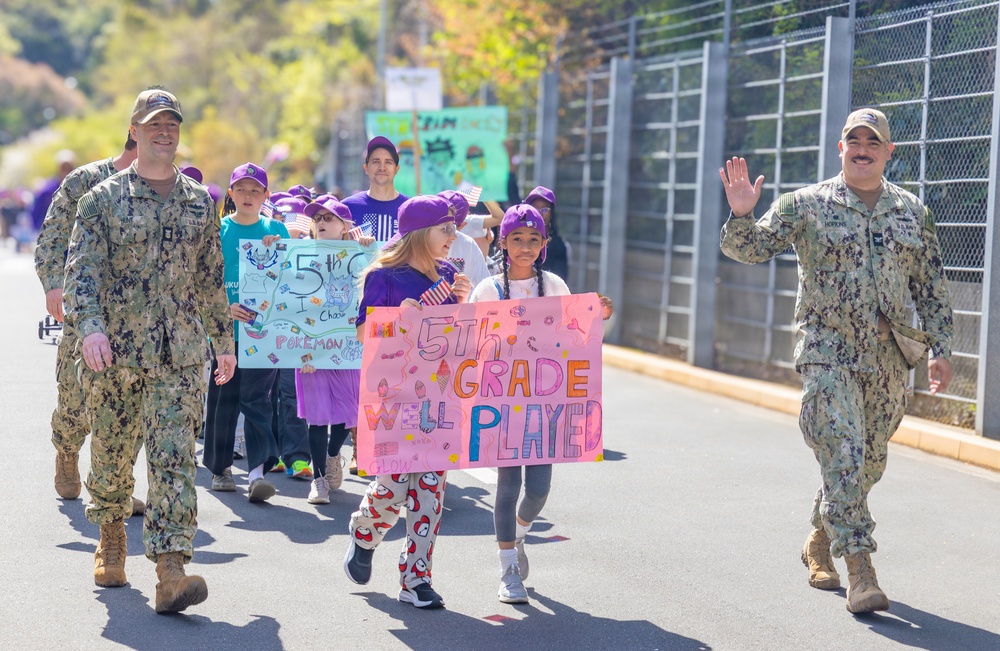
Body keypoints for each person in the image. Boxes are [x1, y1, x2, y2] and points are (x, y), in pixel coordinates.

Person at [718, 108, 954, 614]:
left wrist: (941, 350)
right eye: (854, 139)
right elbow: (750, 249)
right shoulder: (806, 204)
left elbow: (931, 286)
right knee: (843, 453)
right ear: (840, 148)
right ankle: (861, 569)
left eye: (874, 140)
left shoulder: (914, 212)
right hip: (826, 353)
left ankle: (818, 540)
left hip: (889, 358)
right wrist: (741, 213)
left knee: (867, 463)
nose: (863, 147)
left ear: (889, 152)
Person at [63, 87, 236, 613]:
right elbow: (82, 272)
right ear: (134, 131)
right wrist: (90, 328)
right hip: (114, 354)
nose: (164, 133)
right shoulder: (101, 200)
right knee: (113, 456)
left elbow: (210, 278)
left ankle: (171, 571)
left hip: (179, 356)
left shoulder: (198, 204)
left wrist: (222, 341)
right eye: (153, 124)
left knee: (175, 460)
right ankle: (111, 536)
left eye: (172, 125)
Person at [469, 203, 613, 604]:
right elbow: (469, 345)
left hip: (544, 405)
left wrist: (594, 319)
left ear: (544, 244)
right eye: (517, 239)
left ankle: (518, 536)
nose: (525, 246)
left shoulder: (555, 287)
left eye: (534, 240)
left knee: (539, 488)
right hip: (501, 403)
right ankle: (507, 571)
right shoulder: (488, 290)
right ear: (504, 242)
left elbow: (575, 340)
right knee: (508, 484)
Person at [343, 194, 472, 609]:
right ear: (419, 233)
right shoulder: (384, 275)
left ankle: (415, 579)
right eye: (445, 228)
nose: (453, 236)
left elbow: (462, 338)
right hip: (395, 399)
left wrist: (465, 305)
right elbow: (364, 336)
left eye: (453, 228)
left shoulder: (451, 277)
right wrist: (400, 316)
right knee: (394, 486)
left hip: (441, 401)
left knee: (431, 493)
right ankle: (364, 530)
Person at [34, 133, 145, 515]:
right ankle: (66, 449)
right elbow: (51, 238)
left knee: (132, 410)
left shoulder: (163, 188)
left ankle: (117, 484)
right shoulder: (84, 181)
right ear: (135, 134)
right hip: (84, 309)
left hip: (138, 320)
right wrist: (52, 285)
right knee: (75, 399)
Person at [203, 162, 289, 500]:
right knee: (223, 401)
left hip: (263, 333)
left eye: (256, 190)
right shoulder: (217, 231)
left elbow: (292, 280)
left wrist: (278, 249)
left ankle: (256, 473)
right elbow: (205, 280)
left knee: (258, 401)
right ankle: (221, 469)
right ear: (231, 193)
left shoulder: (277, 231)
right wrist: (224, 308)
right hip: (224, 333)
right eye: (242, 189)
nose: (249, 196)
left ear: (266, 195)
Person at [296, 197, 375, 505]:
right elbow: (287, 305)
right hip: (310, 349)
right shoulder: (298, 254)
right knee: (316, 417)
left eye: (329, 217)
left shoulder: (362, 256)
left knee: (349, 409)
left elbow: (379, 279)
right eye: (318, 217)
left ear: (346, 227)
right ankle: (318, 481)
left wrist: (368, 249)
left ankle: (332, 455)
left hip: (348, 348)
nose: (321, 221)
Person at [341, 136, 409, 241]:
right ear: (366, 168)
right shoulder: (346, 208)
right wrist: (352, 246)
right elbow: (337, 254)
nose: (382, 167)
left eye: (388, 162)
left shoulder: (409, 208)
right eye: (376, 161)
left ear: (396, 169)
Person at [437, 190, 491, 289]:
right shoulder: (419, 243)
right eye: (442, 227)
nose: (450, 235)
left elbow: (485, 288)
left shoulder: (469, 244)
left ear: (462, 225)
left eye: (452, 227)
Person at [523, 186, 570, 282]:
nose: (539, 214)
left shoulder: (559, 246)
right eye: (535, 209)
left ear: (552, 213)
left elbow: (560, 281)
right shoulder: (516, 238)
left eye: (544, 210)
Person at [31, 149, 76, 232]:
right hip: (52, 236)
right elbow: (35, 214)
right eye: (63, 168)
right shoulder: (47, 191)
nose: (66, 172)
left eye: (69, 168)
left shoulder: (80, 188)